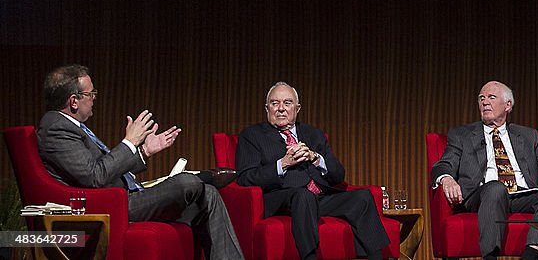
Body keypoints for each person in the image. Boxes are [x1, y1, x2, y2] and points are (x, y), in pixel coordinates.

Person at [37, 64, 243, 260]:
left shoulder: (74, 127)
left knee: (208, 193)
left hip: (125, 197)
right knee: (187, 183)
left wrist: (144, 150)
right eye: (91, 94)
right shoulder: (57, 129)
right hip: (111, 206)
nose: (94, 99)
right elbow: (95, 176)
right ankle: (201, 177)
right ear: (74, 101)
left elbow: (107, 169)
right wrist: (129, 142)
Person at [234, 82, 390, 260]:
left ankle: (377, 256)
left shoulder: (313, 134)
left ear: (297, 108)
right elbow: (245, 178)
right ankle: (309, 257)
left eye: (287, 103)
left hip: (319, 198)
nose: (281, 109)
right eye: (275, 103)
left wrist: (315, 158)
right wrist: (282, 164)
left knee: (362, 197)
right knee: (303, 196)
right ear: (267, 108)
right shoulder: (252, 136)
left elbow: (338, 174)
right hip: (281, 199)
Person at [430, 80, 538, 260]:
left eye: (491, 97)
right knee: (495, 188)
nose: (485, 102)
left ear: (508, 105)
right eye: (481, 98)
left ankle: (532, 252)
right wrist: (446, 178)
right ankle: (490, 255)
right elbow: (443, 164)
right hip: (482, 196)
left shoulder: (527, 136)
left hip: (521, 195)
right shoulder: (462, 135)